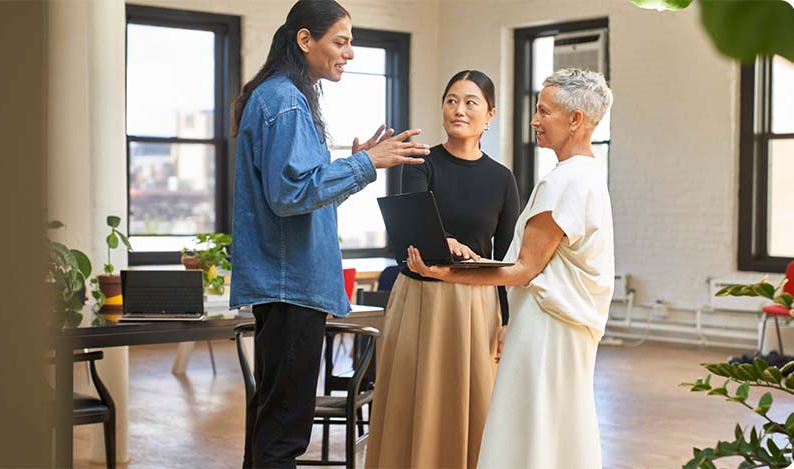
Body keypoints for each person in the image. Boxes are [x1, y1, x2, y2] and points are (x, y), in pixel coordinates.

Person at [228, 1, 430, 468]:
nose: (350, 53)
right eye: (341, 41)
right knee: (283, 430)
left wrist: (354, 168)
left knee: (272, 423)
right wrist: (365, 163)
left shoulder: (281, 96)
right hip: (292, 286)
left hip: (287, 285)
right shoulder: (286, 100)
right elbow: (290, 194)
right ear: (305, 39)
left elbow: (299, 199)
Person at [407, 68, 614, 469]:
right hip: (567, 325)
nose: (535, 120)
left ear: (575, 119)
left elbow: (523, 269)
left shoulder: (565, 182)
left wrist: (449, 273)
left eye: (544, 111)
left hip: (546, 326)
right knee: (556, 428)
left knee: (528, 428)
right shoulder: (589, 174)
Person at [366, 70, 519, 469]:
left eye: (470, 102)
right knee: (413, 399)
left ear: (490, 114)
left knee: (473, 400)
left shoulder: (502, 179)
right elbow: (415, 223)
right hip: (420, 299)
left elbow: (506, 256)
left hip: (476, 306)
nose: (459, 110)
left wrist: (507, 320)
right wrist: (447, 241)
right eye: (451, 100)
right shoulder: (421, 163)